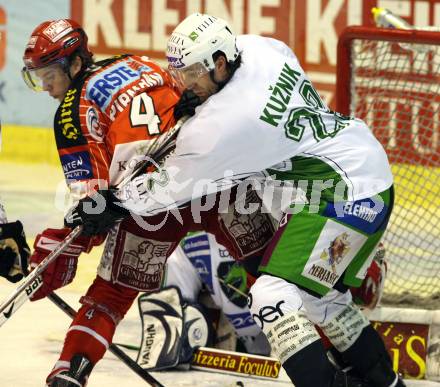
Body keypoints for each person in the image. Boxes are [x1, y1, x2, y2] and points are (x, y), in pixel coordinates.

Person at [75, 13, 402, 387]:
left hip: (341, 194)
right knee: (323, 301)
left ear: (218, 63)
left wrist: (114, 202)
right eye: (180, 73)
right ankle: (387, 384)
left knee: (269, 292)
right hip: (365, 167)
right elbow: (254, 81)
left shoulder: (222, 128)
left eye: (193, 73)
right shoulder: (260, 49)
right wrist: (200, 103)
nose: (186, 83)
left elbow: (168, 187)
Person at [21, 18, 277, 387]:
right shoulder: (137, 62)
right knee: (270, 265)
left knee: (111, 295)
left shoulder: (71, 113)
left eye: (48, 75)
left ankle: (70, 371)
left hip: (147, 203)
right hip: (208, 176)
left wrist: (62, 245)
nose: (45, 87)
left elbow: (94, 204)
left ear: (74, 63)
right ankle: (326, 347)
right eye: (37, 77)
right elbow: (191, 94)